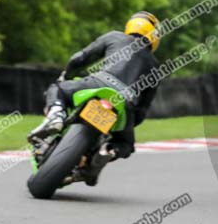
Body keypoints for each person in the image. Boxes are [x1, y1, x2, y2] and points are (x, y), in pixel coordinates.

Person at [27, 12, 161, 175]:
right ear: (154, 36)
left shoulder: (115, 37)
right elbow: (142, 111)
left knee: (57, 89)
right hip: (124, 101)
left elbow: (79, 58)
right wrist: (128, 124)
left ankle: (56, 116)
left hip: (98, 83)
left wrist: (67, 76)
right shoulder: (155, 67)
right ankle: (108, 150)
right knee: (126, 145)